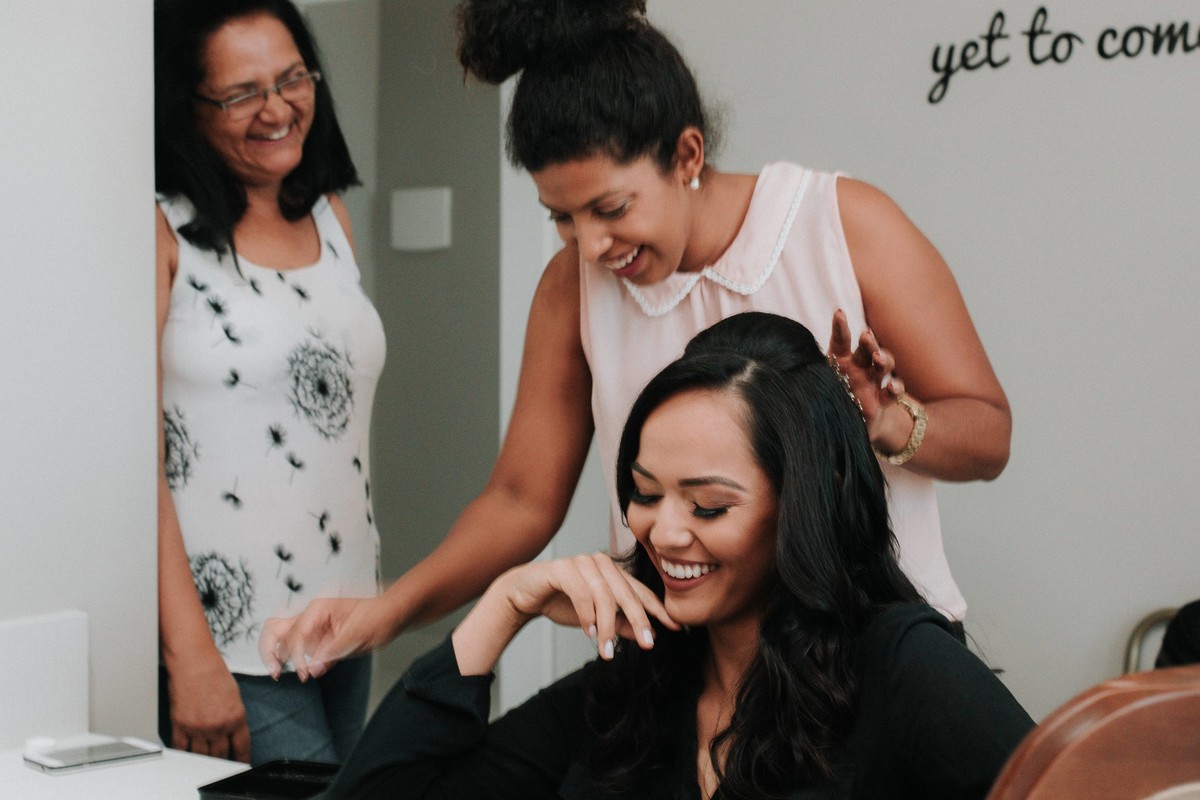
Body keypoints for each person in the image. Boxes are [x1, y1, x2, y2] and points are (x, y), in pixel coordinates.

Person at [261, 0, 1010, 679]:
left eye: (610, 207)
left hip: (869, 655)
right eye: (561, 217)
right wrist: (388, 611)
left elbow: (988, 435)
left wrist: (888, 423)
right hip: (688, 665)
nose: (591, 245)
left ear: (686, 157)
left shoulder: (844, 225)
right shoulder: (571, 290)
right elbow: (520, 500)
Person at [323, 312, 1033, 800]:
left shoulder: (903, 668)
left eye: (708, 506)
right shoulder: (635, 685)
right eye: (643, 492)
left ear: (801, 507)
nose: (661, 533)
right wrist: (505, 606)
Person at [155, 0, 383, 765]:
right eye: (242, 93)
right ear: (187, 107)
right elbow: (133, 459)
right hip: (232, 636)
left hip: (347, 616)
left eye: (293, 79)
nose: (279, 108)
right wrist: (189, 656)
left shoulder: (329, 216)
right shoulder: (162, 232)